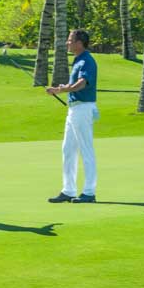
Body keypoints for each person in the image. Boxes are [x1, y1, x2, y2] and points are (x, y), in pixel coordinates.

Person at [45, 28, 97, 203]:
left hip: (83, 108)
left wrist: (61, 89)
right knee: (68, 149)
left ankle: (89, 192)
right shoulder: (77, 61)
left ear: (79, 43)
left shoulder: (87, 61)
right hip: (74, 109)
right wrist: (60, 89)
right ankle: (69, 190)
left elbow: (81, 84)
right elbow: (73, 84)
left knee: (86, 149)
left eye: (70, 40)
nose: (67, 43)